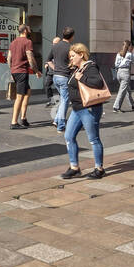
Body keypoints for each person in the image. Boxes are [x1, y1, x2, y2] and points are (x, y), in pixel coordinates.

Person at [60, 43, 107, 180]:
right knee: (69, 136)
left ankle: (99, 168)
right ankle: (74, 167)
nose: (71, 59)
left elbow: (98, 82)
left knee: (93, 139)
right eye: (70, 57)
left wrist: (83, 78)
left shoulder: (90, 66)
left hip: (89, 108)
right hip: (77, 109)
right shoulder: (77, 68)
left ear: (81, 54)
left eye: (73, 56)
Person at [47, 27, 76, 134]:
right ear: (72, 36)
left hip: (55, 77)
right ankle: (61, 125)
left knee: (64, 100)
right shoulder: (71, 47)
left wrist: (56, 68)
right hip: (64, 77)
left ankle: (56, 121)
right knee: (65, 101)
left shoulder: (56, 46)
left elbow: (48, 60)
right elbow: (73, 62)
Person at [7, 24, 36, 130]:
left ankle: (23, 118)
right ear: (24, 31)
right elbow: (30, 59)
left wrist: (12, 70)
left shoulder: (13, 42)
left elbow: (8, 59)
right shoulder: (28, 42)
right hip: (22, 72)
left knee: (27, 91)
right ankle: (14, 122)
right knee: (19, 97)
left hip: (15, 71)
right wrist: (36, 70)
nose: (30, 30)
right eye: (28, 28)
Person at [111, 38, 134, 112]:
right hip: (125, 73)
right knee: (122, 91)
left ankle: (132, 104)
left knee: (127, 90)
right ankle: (116, 107)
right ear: (129, 46)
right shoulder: (130, 54)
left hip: (119, 73)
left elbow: (116, 64)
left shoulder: (118, 54)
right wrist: (133, 53)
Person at [42, 35, 60, 103]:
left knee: (60, 87)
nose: (53, 44)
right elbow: (49, 58)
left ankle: (62, 99)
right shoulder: (52, 50)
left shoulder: (61, 50)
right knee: (47, 85)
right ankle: (51, 99)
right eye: (53, 43)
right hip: (50, 72)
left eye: (55, 43)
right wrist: (46, 63)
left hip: (58, 72)